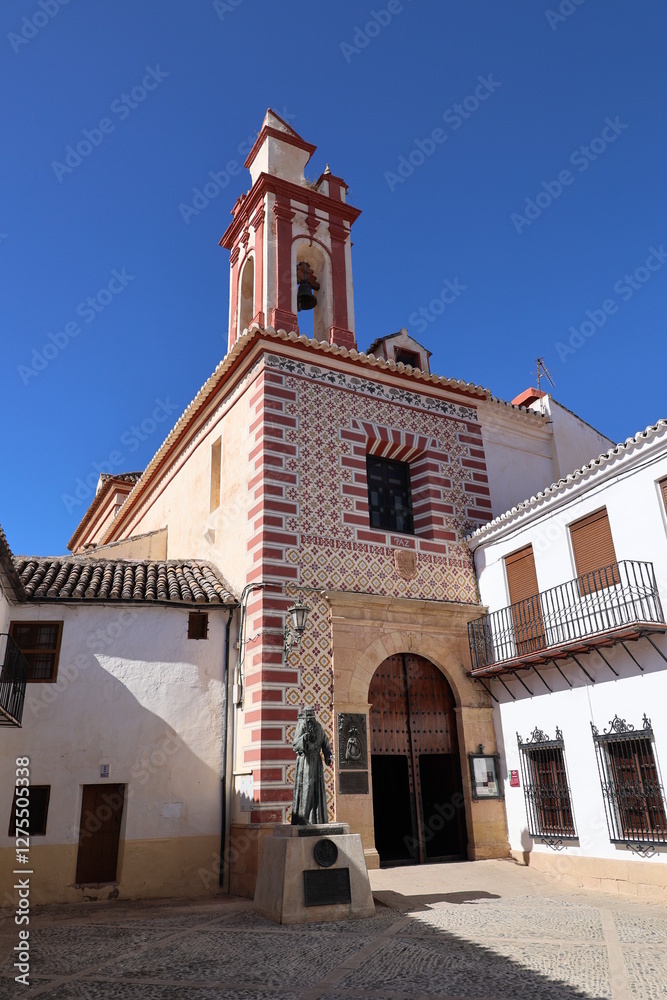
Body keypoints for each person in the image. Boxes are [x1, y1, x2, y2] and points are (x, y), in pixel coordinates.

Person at [291, 708, 333, 825]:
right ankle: (303, 817)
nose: (310, 718)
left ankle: (317, 818)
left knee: (316, 788)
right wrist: (303, 739)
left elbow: (325, 742)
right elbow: (295, 745)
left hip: (317, 762)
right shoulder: (302, 726)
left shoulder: (319, 727)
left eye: (312, 715)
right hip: (306, 762)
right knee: (307, 786)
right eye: (308, 715)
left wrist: (328, 755)